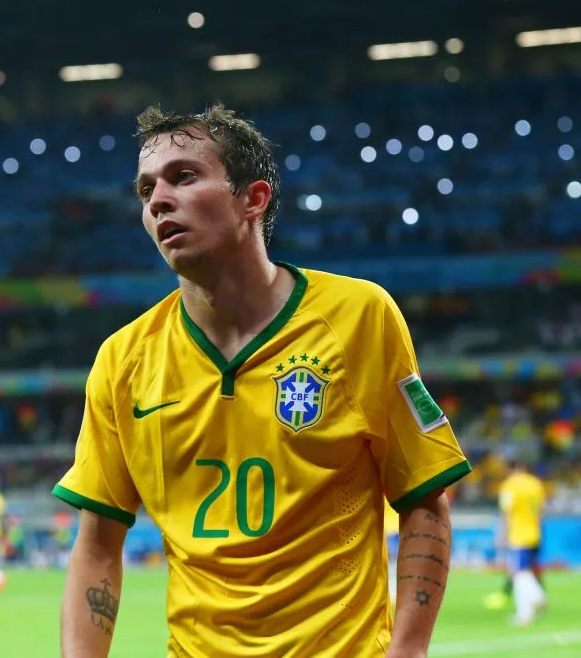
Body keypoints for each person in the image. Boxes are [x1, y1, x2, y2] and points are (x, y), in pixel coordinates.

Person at [52, 104, 472, 657]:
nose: (157, 201)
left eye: (184, 176)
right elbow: (98, 546)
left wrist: (408, 649)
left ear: (253, 198)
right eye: (146, 189)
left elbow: (425, 499)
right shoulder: (124, 359)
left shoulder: (359, 317)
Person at [497, 459, 546, 626]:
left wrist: (503, 535)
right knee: (525, 570)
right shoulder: (535, 484)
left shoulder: (509, 485)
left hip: (518, 534)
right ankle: (529, 610)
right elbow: (541, 510)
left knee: (519, 573)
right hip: (534, 533)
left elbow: (506, 512)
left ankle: (533, 602)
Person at [383, 499, 400, 608]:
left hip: (390, 530)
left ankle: (392, 592)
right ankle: (392, 592)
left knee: (391, 564)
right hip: (394, 529)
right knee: (393, 564)